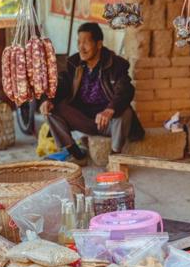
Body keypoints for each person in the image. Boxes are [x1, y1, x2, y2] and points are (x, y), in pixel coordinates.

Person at [40, 22, 144, 164]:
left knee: (124, 111)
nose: (81, 47)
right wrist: (47, 100)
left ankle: (115, 158)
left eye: (86, 43)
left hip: (109, 123)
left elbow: (125, 90)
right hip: (84, 119)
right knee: (51, 110)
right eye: (79, 42)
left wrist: (110, 109)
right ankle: (77, 155)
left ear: (99, 44)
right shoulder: (74, 63)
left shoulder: (116, 64)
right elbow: (61, 84)